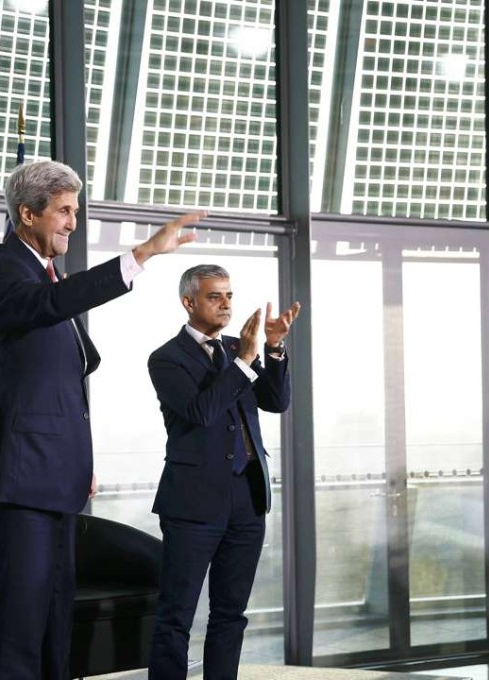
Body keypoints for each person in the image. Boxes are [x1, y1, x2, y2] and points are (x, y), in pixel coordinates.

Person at [0, 159, 202, 679]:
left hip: (56, 478)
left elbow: (64, 381)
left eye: (76, 210)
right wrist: (141, 255)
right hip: (23, 480)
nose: (74, 222)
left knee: (56, 624)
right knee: (21, 629)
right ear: (27, 214)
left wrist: (80, 461)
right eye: (65, 210)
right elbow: (54, 304)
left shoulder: (47, 273)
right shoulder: (6, 270)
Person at [146, 264, 300, 680]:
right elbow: (201, 411)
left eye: (229, 295)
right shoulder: (166, 359)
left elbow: (276, 401)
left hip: (247, 499)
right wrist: (247, 358)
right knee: (176, 614)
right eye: (215, 296)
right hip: (193, 503)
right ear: (189, 302)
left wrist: (273, 348)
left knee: (231, 613)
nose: (226, 304)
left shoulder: (239, 348)